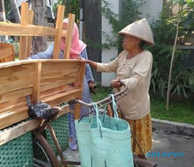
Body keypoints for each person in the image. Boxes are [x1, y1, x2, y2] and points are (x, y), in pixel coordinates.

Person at [79, 18, 154, 158]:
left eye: (127, 38)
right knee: (121, 144)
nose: (123, 40)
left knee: (139, 147)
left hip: (135, 108)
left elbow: (137, 79)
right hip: (119, 106)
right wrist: (88, 62)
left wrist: (121, 82)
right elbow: (109, 66)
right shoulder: (124, 55)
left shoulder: (145, 56)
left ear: (137, 40)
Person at [29, 18, 94, 151]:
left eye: (67, 28)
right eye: (62, 28)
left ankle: (83, 136)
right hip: (65, 86)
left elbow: (86, 66)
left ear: (73, 31)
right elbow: (44, 55)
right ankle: (72, 138)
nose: (64, 32)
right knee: (69, 113)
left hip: (82, 85)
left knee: (84, 111)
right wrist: (30, 59)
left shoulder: (81, 46)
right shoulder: (57, 46)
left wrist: (91, 80)